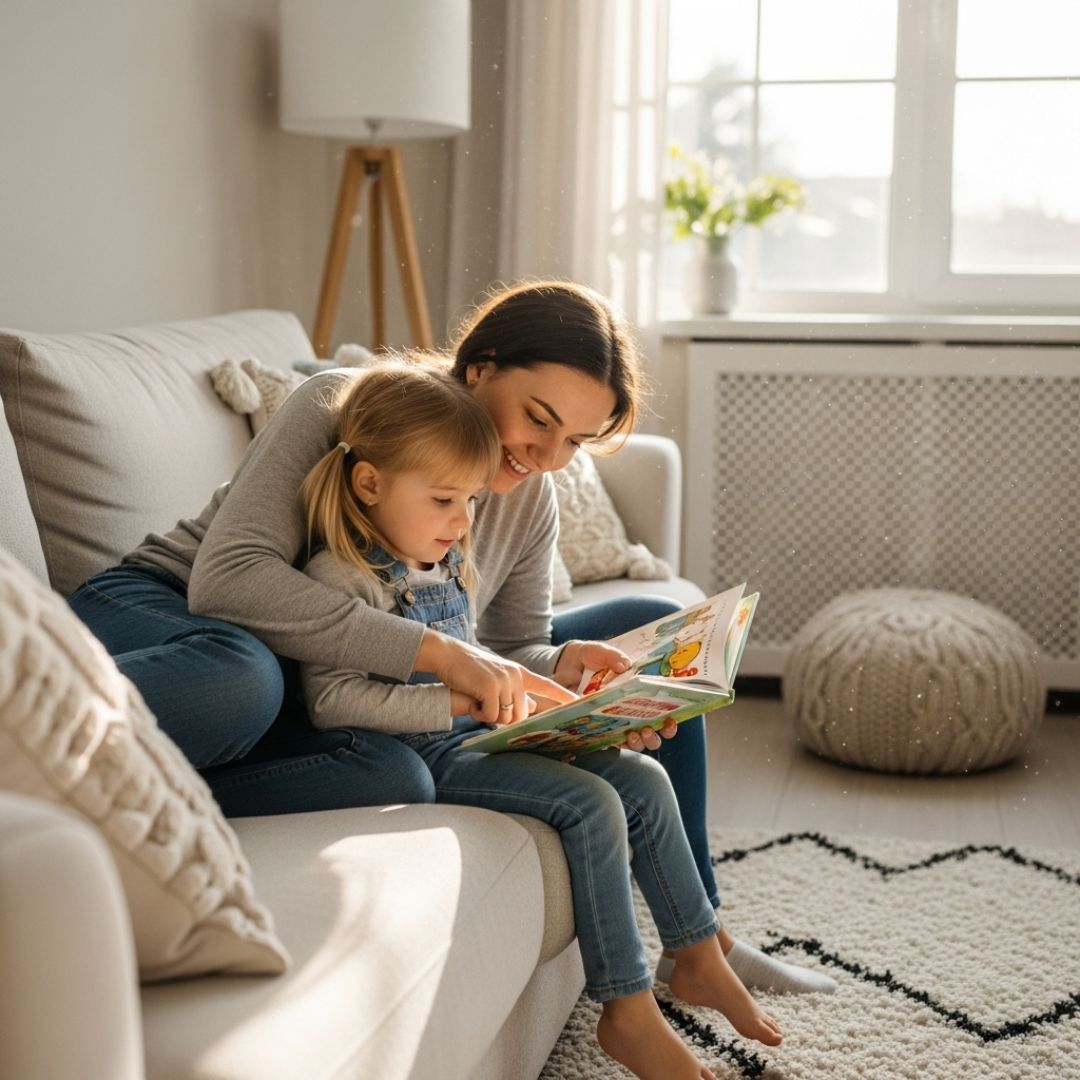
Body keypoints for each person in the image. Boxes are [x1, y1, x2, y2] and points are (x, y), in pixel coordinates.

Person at [68, 279, 834, 996]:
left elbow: (512, 642)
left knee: (634, 649)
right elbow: (227, 580)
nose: (544, 457)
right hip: (179, 618)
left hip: (320, 672)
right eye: (537, 419)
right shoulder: (344, 406)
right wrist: (438, 655)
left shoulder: (532, 498)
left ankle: (700, 940)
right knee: (246, 678)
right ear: (479, 368)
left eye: (574, 440)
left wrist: (570, 673)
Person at [295, 358, 783, 1076]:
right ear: (369, 484)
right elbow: (330, 700)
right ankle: (626, 1009)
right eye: (444, 501)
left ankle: (699, 952)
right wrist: (455, 699)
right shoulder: (337, 578)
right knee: (591, 805)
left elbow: (489, 649)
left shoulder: (445, 555)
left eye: (468, 502)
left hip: (474, 733)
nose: (464, 523)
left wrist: (560, 687)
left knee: (643, 779)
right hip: (419, 752)